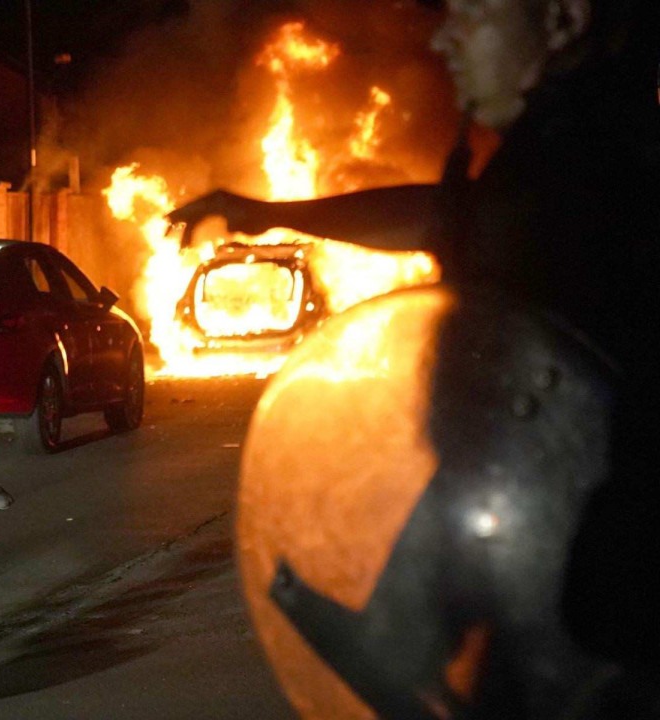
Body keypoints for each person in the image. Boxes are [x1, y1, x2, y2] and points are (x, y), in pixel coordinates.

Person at [172, 0, 660, 709]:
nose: (443, 36)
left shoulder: (602, 174)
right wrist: (270, 212)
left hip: (599, 601)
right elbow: (442, 217)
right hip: (540, 564)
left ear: (562, 20)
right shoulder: (552, 156)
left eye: (473, 13)